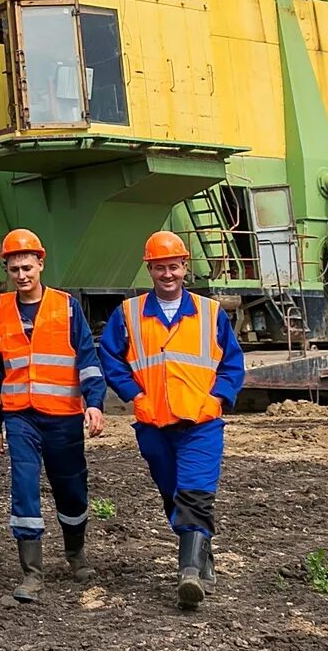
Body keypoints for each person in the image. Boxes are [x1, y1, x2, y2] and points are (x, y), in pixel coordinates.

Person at [98, 230, 245, 610]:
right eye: (160, 267)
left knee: (195, 492)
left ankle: (189, 573)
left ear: (185, 267)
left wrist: (218, 398)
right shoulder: (127, 314)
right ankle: (201, 552)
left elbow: (232, 363)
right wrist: (135, 396)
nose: (168, 274)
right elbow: (111, 359)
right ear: (150, 269)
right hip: (153, 424)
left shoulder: (210, 312)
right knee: (173, 494)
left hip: (201, 422)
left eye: (174, 266)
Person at [0, 226, 106, 602]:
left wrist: (94, 402)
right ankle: (32, 575)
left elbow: (86, 358)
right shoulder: (1, 312)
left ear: (41, 263)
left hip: (63, 416)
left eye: (27, 267)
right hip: (21, 416)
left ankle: (75, 553)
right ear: (7, 270)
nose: (21, 275)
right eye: (14, 269)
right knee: (23, 487)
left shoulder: (66, 307)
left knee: (71, 489)